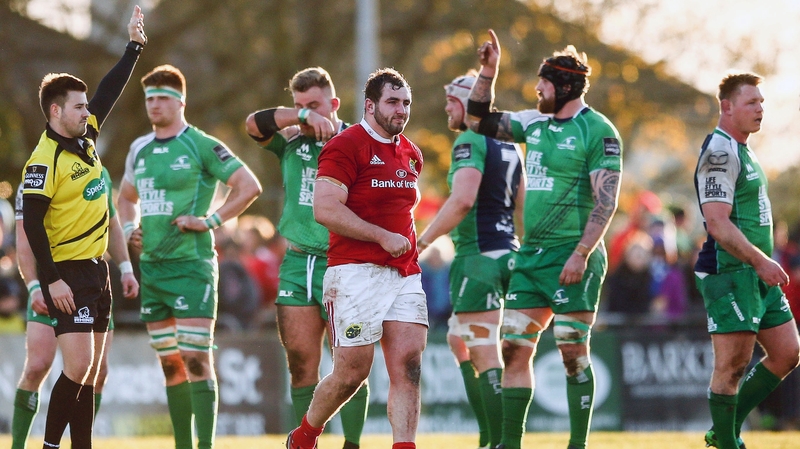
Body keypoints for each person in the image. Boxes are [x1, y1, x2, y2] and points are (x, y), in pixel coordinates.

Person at [466, 30, 623, 449]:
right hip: (531, 257)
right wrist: (488, 72)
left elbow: (606, 202)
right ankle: (509, 443)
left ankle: (577, 444)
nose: (537, 88)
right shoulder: (533, 123)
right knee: (513, 348)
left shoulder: (597, 130)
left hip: (573, 255)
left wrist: (581, 253)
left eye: (545, 82)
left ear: (565, 87)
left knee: (571, 350)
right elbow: (477, 119)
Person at [117, 64, 262, 449]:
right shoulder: (139, 148)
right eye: (149, 98)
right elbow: (125, 198)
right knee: (171, 364)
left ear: (181, 101)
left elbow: (248, 186)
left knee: (196, 358)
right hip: (152, 268)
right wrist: (129, 229)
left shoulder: (200, 144)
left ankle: (204, 446)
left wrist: (210, 220)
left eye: (162, 97)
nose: (154, 105)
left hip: (192, 266)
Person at [19, 7, 145, 448]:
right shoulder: (43, 161)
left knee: (90, 372)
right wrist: (50, 278)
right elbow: (31, 223)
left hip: (97, 269)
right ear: (56, 111)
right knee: (76, 368)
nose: (87, 111)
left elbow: (108, 92)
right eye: (78, 106)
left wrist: (133, 47)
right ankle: (50, 445)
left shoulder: (84, 137)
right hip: (67, 273)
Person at [286, 68, 427, 449]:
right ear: (370, 105)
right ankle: (304, 436)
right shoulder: (345, 145)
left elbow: (403, 211)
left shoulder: (411, 153)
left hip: (404, 274)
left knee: (409, 366)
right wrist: (381, 236)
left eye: (406, 103)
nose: (401, 110)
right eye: (392, 102)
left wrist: (408, 242)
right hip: (354, 272)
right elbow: (325, 209)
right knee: (352, 372)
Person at [244, 67, 369, 449]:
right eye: (299, 105)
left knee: (349, 364)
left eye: (314, 105)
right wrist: (300, 115)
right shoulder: (291, 139)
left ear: (334, 104)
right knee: (300, 363)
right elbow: (252, 124)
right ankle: (306, 444)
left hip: (343, 261)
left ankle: (352, 444)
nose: (306, 114)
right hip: (297, 263)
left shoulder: (358, 140)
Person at [417, 72, 524, 449]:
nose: (446, 107)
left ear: (467, 101)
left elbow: (462, 201)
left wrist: (423, 240)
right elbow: (523, 205)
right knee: (458, 339)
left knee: (484, 351)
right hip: (508, 253)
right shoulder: (510, 143)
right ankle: (487, 437)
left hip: (478, 258)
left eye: (451, 100)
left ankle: (497, 442)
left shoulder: (470, 138)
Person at [694, 72, 800, 449]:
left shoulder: (743, 149)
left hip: (756, 272)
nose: (760, 109)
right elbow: (717, 223)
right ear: (727, 107)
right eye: (751, 102)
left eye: (761, 102)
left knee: (787, 353)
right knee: (732, 367)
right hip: (731, 271)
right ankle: (726, 441)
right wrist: (760, 261)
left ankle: (723, 431)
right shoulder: (719, 152)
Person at [11, 169, 137, 449]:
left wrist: (126, 267)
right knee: (37, 366)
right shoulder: (40, 173)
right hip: (52, 281)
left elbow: (112, 224)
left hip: (94, 281)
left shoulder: (100, 172)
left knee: (96, 373)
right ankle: (20, 445)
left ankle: (79, 443)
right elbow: (25, 238)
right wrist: (33, 286)